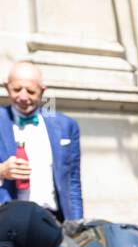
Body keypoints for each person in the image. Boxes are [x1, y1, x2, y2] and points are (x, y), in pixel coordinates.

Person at [0, 61, 83, 221]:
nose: (23, 97)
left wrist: (77, 224)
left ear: (42, 91)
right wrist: (2, 170)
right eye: (17, 89)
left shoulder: (65, 125)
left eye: (31, 91)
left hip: (52, 220)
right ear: (6, 87)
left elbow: (72, 182)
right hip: (7, 221)